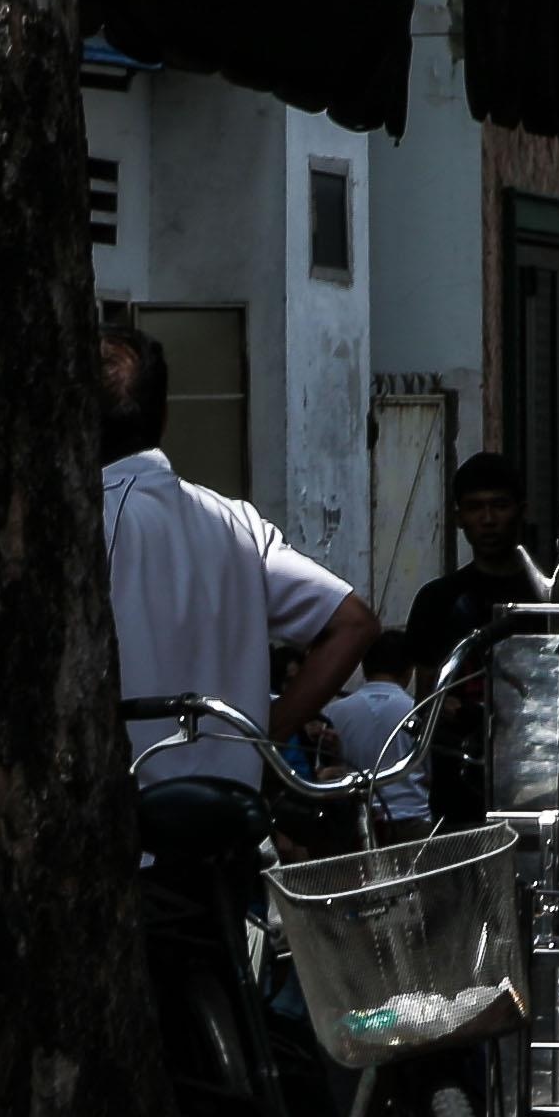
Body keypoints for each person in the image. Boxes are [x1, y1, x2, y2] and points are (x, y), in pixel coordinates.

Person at [101, 317, 373, 790]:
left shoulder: (89, 521)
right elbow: (352, 622)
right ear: (164, 416)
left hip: (132, 834)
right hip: (233, 822)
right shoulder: (237, 522)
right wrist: (263, 739)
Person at [399, 453, 543, 673]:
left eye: (500, 505)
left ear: (521, 511)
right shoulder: (436, 600)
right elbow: (427, 697)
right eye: (475, 507)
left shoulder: (549, 600)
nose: (488, 519)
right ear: (459, 518)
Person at [307, 629, 435, 827]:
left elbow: (323, 771)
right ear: (410, 670)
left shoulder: (332, 712)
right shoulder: (418, 712)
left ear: (364, 667)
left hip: (357, 823)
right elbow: (431, 774)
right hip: (413, 818)